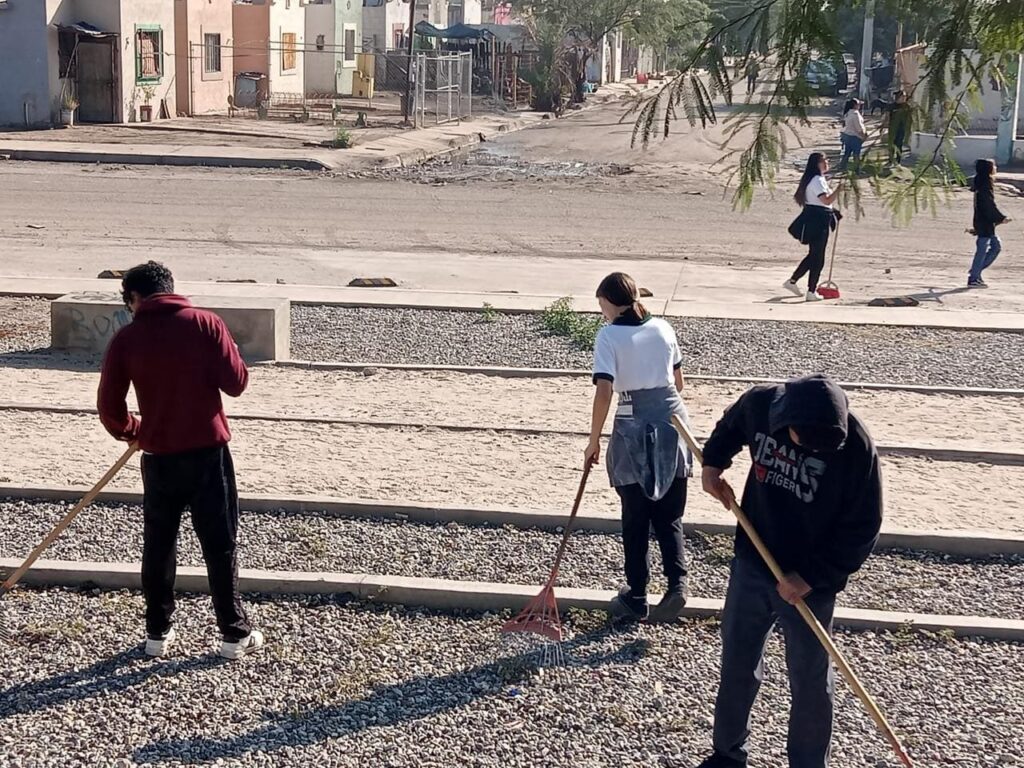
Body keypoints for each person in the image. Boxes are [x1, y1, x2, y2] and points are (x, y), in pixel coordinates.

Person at [694, 374, 883, 768]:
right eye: (806, 441)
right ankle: (727, 755)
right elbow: (730, 427)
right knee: (738, 663)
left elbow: (863, 527)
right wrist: (713, 464)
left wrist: (811, 576)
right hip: (754, 559)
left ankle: (809, 763)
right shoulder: (762, 404)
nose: (814, 448)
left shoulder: (856, 446)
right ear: (786, 422)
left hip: (810, 580)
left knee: (811, 679)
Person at [98, 261, 263, 660]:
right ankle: (232, 633)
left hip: (157, 456)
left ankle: (157, 633)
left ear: (135, 298)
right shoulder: (206, 323)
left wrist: (130, 430)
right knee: (219, 544)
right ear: (170, 288)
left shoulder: (128, 337)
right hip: (208, 453)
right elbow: (236, 383)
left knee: (159, 545)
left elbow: (108, 406)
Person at [584, 272, 693, 623]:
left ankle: (637, 594)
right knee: (670, 513)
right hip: (674, 420)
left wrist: (594, 440)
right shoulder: (663, 327)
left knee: (636, 516)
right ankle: (677, 585)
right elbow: (678, 382)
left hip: (633, 423)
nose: (601, 311)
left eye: (601, 304)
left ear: (610, 303)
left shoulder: (609, 335)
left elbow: (604, 390)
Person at [784, 153, 842, 302]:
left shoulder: (818, 179)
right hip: (818, 220)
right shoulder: (817, 180)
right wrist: (839, 190)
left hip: (817, 217)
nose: (827, 162)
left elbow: (824, 202)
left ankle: (793, 281)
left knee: (814, 255)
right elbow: (825, 200)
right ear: (817, 163)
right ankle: (811, 290)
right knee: (818, 257)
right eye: (824, 161)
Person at [968, 158, 1010, 288]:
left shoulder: (982, 182)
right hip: (984, 222)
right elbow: (988, 205)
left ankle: (976, 272)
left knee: (995, 246)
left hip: (983, 222)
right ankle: (974, 276)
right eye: (994, 166)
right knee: (984, 249)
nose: (996, 168)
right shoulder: (985, 184)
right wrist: (1001, 218)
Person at [838, 98, 867, 171]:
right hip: (855, 137)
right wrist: (864, 136)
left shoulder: (848, 113)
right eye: (858, 104)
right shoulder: (855, 114)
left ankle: (842, 167)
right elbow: (858, 127)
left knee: (847, 153)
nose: (859, 106)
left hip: (848, 135)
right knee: (856, 154)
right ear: (855, 105)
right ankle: (857, 170)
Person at [886, 91, 912, 164]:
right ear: (898, 97)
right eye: (903, 96)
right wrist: (883, 125)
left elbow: (909, 118)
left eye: (905, 96)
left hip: (902, 129)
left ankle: (898, 160)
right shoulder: (892, 106)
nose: (904, 98)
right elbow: (887, 116)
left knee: (899, 144)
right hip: (892, 128)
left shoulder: (907, 107)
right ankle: (890, 159)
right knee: (891, 144)